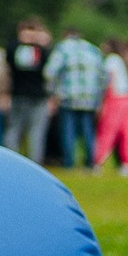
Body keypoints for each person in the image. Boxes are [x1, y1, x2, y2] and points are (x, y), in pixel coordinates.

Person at [47, 26, 105, 171]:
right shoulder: (93, 49)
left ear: (65, 35)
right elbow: (104, 76)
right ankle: (90, 163)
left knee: (68, 131)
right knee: (88, 131)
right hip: (90, 98)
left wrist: (53, 92)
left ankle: (68, 163)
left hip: (68, 96)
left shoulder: (62, 48)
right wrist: (99, 97)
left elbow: (50, 72)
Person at [5, 20, 53, 164]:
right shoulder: (41, 50)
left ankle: (10, 160)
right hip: (35, 95)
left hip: (19, 94)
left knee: (15, 129)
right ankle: (35, 162)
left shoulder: (13, 48)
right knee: (36, 131)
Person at [95, 40, 128, 177]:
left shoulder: (112, 59)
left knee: (107, 131)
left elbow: (108, 81)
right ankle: (127, 164)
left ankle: (97, 162)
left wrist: (103, 102)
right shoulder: (123, 61)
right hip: (127, 100)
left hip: (115, 99)